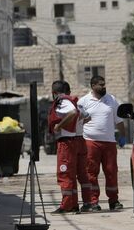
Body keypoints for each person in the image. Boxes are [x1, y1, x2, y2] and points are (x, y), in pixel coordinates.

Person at [78, 76, 126, 211]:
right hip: (90, 142)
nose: (104, 87)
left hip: (109, 143)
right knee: (91, 173)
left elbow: (119, 120)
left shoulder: (111, 99)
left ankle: (114, 201)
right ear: (93, 86)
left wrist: (122, 136)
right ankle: (93, 202)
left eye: (104, 85)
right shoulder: (84, 101)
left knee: (111, 172)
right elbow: (77, 121)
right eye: (101, 85)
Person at [48, 80, 80, 215]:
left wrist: (59, 126)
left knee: (64, 174)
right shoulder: (70, 100)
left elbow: (73, 113)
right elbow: (84, 116)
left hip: (66, 143)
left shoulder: (62, 101)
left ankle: (66, 205)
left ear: (54, 93)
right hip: (71, 141)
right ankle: (72, 204)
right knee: (70, 175)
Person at [62, 81, 93, 212]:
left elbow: (70, 116)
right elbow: (88, 117)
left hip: (71, 140)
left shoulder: (64, 104)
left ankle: (72, 204)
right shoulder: (78, 105)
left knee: (70, 173)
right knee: (83, 174)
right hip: (81, 139)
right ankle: (87, 202)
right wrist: (80, 124)